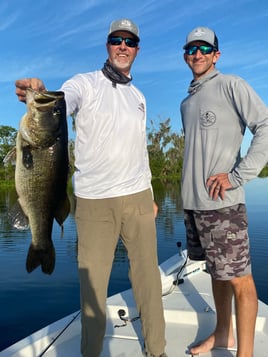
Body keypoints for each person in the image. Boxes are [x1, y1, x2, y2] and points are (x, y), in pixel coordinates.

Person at [15, 19, 167, 357]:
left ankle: (157, 350)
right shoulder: (84, 83)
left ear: (137, 49)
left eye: (130, 41)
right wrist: (40, 91)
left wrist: (152, 197)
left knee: (149, 283)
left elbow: (139, 150)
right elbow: (59, 104)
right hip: (95, 202)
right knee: (93, 292)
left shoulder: (139, 97)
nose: (123, 46)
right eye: (117, 40)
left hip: (139, 198)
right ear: (108, 45)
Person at [180, 26, 268, 357]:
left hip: (223, 206)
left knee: (241, 282)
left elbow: (265, 125)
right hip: (193, 206)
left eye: (204, 48)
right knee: (217, 273)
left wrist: (238, 175)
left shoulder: (232, 85)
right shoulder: (186, 101)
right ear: (185, 56)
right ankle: (222, 335)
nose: (197, 54)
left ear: (216, 54)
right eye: (191, 49)